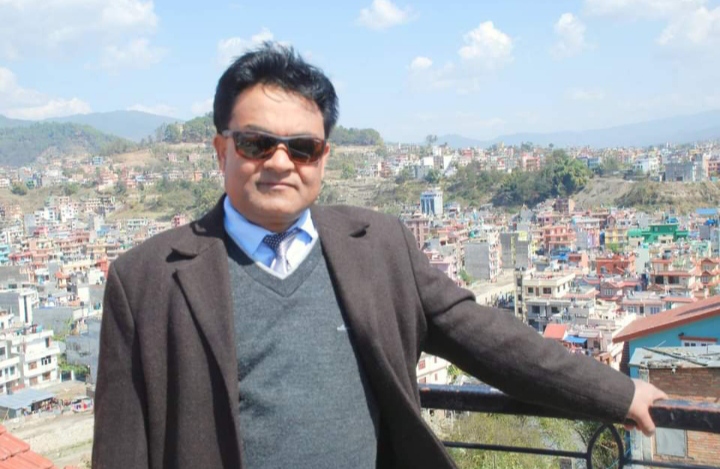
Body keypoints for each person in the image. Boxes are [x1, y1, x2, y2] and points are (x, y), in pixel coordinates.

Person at [92, 43, 667, 469]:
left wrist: (618, 394)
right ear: (221, 150)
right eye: (256, 143)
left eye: (302, 148)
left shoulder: (378, 244)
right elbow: (122, 446)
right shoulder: (145, 280)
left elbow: (488, 339)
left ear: (323, 158)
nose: (280, 162)